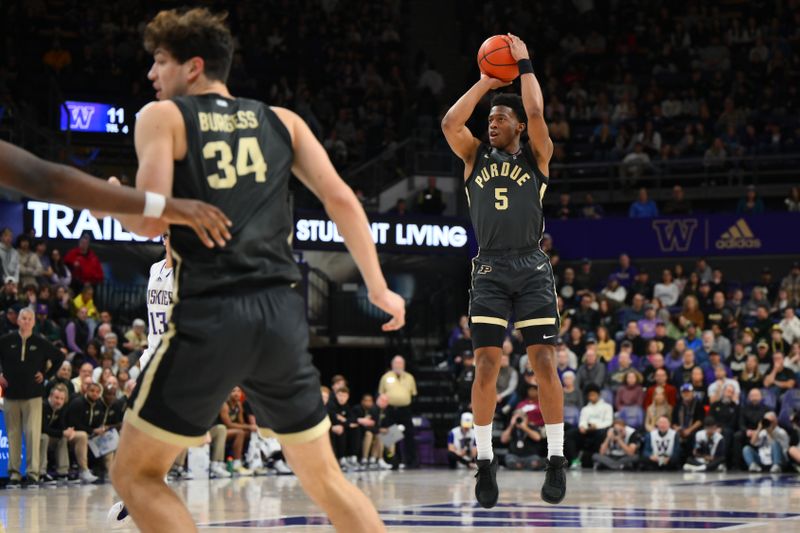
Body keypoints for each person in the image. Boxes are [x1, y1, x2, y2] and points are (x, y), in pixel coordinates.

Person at [107, 10, 405, 533]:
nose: (152, 75)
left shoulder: (163, 118)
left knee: (135, 474)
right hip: (280, 316)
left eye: (159, 61)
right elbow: (341, 199)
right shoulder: (282, 120)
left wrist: (106, 199)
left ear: (193, 67)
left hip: (211, 314)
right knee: (329, 483)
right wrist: (378, 286)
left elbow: (146, 219)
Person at [441, 33, 565, 507]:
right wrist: (484, 83)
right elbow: (452, 122)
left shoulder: (537, 156)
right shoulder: (474, 157)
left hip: (532, 267)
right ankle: (485, 462)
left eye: (499, 118)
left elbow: (536, 113)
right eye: (490, 119)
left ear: (516, 126)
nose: (491, 124)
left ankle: (556, 459)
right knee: (486, 366)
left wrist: (526, 63)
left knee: (544, 363)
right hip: (490, 269)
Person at [0, 308, 64, 488]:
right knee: (12, 434)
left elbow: (59, 357)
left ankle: (32, 473)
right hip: (11, 394)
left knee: (32, 434)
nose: (26, 321)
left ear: (34, 322)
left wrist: (46, 374)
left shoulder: (41, 342)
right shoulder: (6, 340)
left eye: (30, 319)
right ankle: (13, 474)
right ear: (17, 320)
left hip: (33, 395)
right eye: (23, 318)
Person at [378, 355, 418, 469]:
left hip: (405, 410)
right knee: (391, 435)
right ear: (392, 365)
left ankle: (411, 461)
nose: (398, 365)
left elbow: (413, 394)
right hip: (390, 409)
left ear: (404, 365)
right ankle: (393, 461)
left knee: (409, 435)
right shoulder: (386, 377)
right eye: (396, 363)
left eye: (400, 363)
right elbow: (381, 393)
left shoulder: (410, 377)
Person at [217, 387, 254, 476]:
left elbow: (241, 423)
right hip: (219, 432)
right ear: (228, 393)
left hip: (231, 431)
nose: (237, 393)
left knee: (249, 434)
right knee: (240, 433)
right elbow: (228, 424)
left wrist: (250, 428)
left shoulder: (238, 405)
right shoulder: (224, 405)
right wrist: (249, 426)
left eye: (239, 391)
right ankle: (236, 463)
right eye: (233, 391)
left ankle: (250, 460)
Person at [576, 384, 613, 468]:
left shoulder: (607, 407)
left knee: (601, 433)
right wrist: (583, 426)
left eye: (593, 395)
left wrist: (596, 426)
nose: (591, 397)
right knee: (571, 434)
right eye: (590, 395)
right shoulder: (585, 408)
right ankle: (574, 459)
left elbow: (608, 422)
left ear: (599, 395)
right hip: (587, 430)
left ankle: (597, 459)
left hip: (600, 429)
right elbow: (582, 420)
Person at [501, 403, 546, 471]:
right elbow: (503, 440)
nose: (519, 420)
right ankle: (520, 465)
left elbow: (537, 438)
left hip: (530, 456)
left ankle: (525, 465)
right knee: (510, 460)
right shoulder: (511, 428)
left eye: (522, 417)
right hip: (514, 455)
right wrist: (511, 425)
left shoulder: (531, 426)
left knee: (535, 461)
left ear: (526, 418)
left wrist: (525, 428)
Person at [672, 384, 705, 460]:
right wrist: (678, 429)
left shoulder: (698, 404)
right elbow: (673, 422)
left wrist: (689, 430)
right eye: (684, 392)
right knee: (673, 435)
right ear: (681, 394)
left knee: (693, 436)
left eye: (688, 392)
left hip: (693, 430)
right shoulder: (678, 406)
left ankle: (690, 459)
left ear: (692, 393)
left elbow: (700, 421)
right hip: (680, 430)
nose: (686, 394)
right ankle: (675, 459)